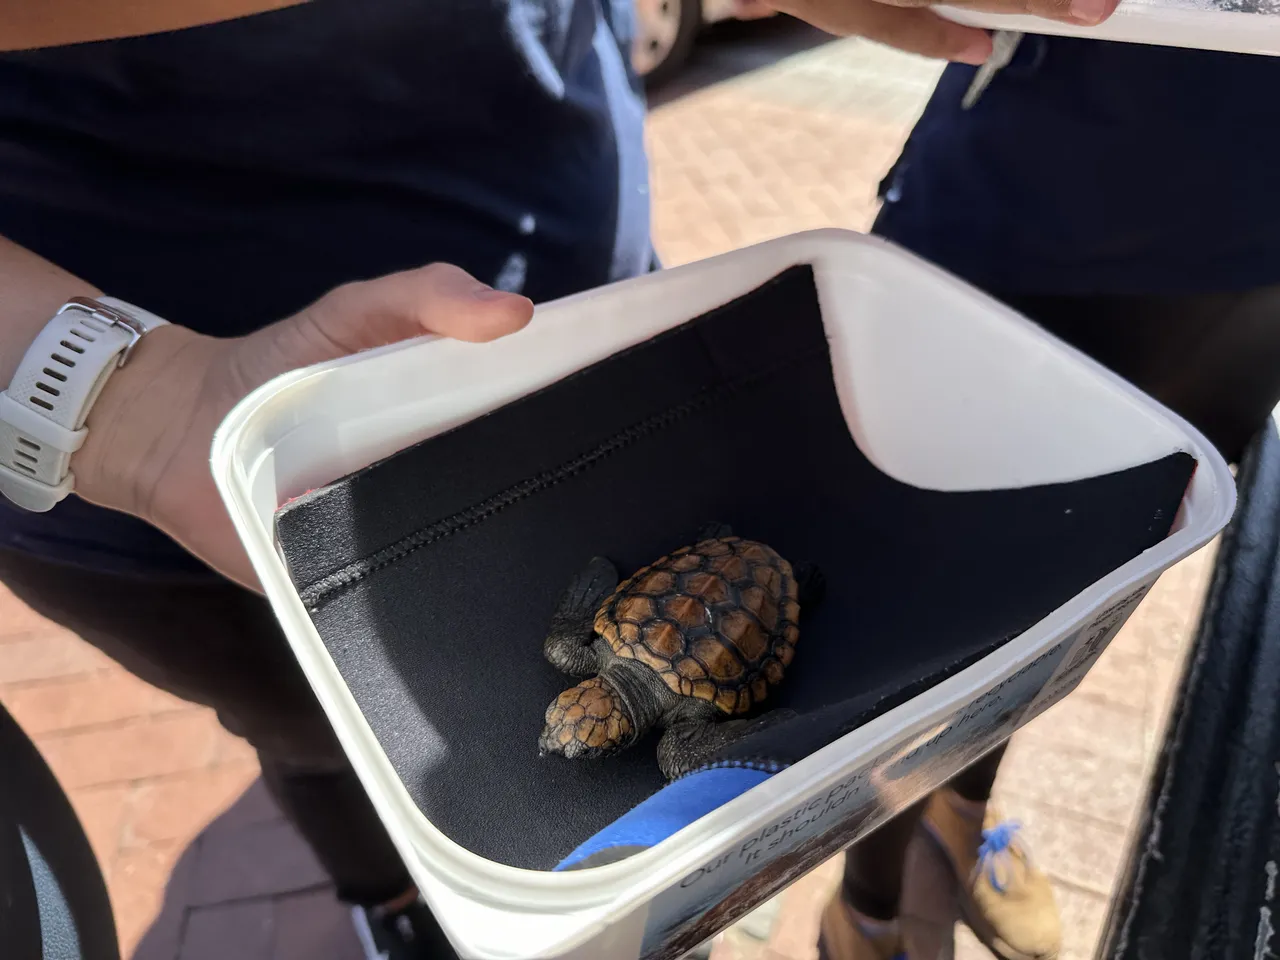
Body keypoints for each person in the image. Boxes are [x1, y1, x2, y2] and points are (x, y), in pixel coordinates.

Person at [0, 1, 1123, 957]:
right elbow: (639, 630)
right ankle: (397, 913)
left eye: (574, 728)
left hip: (589, 321)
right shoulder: (643, 702)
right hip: (182, 411)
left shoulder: (584, 655)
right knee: (306, 729)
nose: (560, 737)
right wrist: (124, 409)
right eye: (575, 732)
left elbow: (601, 578)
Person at [818, 34, 1280, 960]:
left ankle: (964, 808)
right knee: (914, 622)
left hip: (1256, 249)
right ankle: (865, 909)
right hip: (1029, 194)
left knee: (1086, 596)